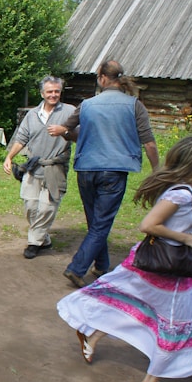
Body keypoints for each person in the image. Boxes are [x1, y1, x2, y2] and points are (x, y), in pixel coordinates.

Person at [57, 136, 192, 382]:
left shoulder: (187, 188)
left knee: (138, 305)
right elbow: (149, 224)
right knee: (176, 321)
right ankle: (152, 380)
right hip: (167, 266)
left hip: (165, 266)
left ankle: (93, 337)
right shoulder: (180, 193)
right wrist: (187, 238)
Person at [50, 60, 160, 287]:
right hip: (114, 170)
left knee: (95, 221)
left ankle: (101, 265)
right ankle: (76, 268)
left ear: (101, 78)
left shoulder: (88, 104)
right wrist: (157, 170)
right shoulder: (134, 105)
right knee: (101, 223)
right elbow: (149, 143)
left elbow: (68, 130)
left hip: (87, 169)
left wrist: (67, 133)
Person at [3, 76, 75, 259]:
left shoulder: (69, 112)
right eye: (50, 91)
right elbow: (21, 139)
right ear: (42, 93)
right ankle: (44, 239)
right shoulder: (32, 115)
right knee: (30, 206)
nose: (53, 95)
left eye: (57, 91)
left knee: (47, 208)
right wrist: (9, 157)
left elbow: (80, 135)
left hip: (55, 168)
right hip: (33, 167)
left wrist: (64, 131)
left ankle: (34, 243)